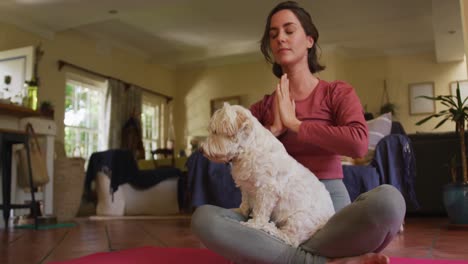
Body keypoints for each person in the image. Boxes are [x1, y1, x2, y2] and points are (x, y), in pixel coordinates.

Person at [191, 1, 405, 263]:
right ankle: (328, 260)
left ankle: (277, 254)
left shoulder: (337, 93)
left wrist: (296, 125)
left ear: (309, 40)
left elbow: (359, 145)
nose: (280, 37)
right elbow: (233, 149)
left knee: (390, 201)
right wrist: (274, 129)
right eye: (273, 34)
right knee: (204, 220)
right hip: (270, 210)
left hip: (327, 205)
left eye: (289, 30)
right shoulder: (263, 107)